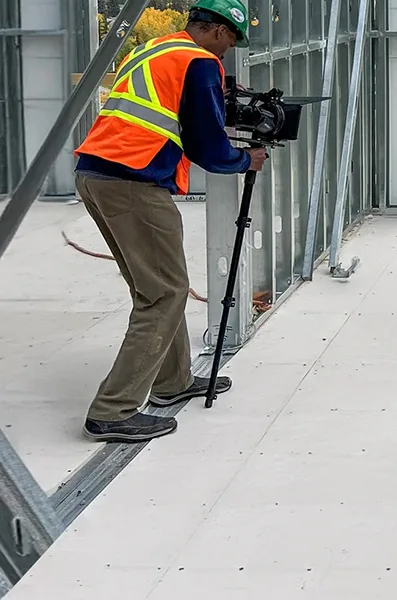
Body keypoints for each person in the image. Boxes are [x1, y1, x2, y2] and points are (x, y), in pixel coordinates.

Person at [73, 0, 268, 443]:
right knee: (163, 294)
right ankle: (113, 410)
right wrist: (245, 159)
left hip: (98, 174)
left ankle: (171, 383)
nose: (228, 51)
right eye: (232, 41)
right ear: (218, 32)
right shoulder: (199, 61)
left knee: (159, 287)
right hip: (134, 181)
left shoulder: (154, 49)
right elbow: (205, 143)